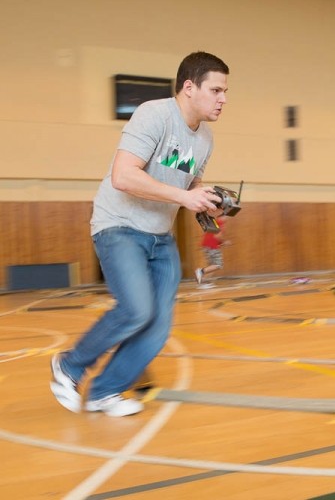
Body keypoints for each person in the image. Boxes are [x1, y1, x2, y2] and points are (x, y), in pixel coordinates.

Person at [50, 51, 229, 417]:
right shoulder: (154, 114)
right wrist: (185, 197)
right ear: (189, 87)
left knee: (158, 326)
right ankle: (69, 366)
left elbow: (187, 182)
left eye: (225, 91)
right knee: (136, 309)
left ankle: (105, 391)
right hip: (119, 226)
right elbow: (124, 175)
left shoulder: (205, 138)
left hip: (160, 236)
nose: (223, 99)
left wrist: (206, 201)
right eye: (216, 90)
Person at [195, 216, 230, 288]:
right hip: (212, 246)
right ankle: (201, 271)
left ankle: (203, 282)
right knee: (218, 265)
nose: (227, 217)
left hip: (206, 246)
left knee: (211, 265)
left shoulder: (214, 222)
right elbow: (217, 236)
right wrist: (224, 242)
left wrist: (220, 243)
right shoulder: (220, 222)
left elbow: (212, 235)